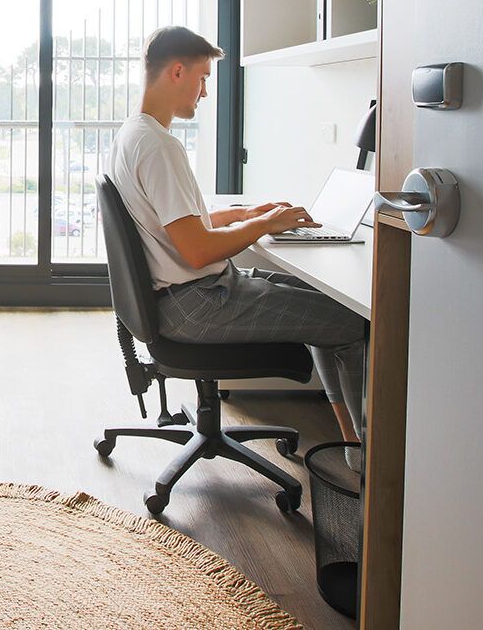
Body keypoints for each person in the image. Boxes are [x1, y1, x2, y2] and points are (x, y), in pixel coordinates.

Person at [106, 25, 365, 447]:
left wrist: (246, 213)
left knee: (327, 304)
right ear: (177, 72)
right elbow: (196, 250)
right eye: (202, 78)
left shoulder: (133, 135)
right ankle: (363, 447)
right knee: (351, 322)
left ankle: (351, 439)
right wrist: (263, 226)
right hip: (198, 304)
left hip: (187, 298)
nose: (204, 92)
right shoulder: (158, 147)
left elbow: (179, 221)